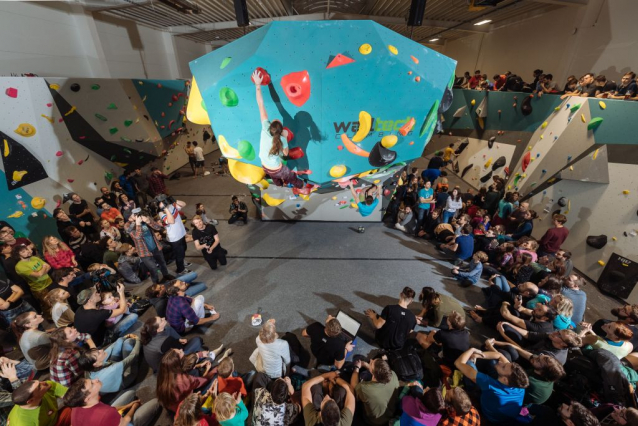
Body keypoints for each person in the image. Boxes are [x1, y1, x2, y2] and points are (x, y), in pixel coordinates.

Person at [253, 69, 313, 194]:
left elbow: (260, 104)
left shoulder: (265, 128)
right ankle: (302, 186)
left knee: (275, 178)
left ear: (270, 127)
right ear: (281, 131)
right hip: (274, 168)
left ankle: (278, 184)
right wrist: (285, 136)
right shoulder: (282, 139)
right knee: (291, 177)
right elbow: (285, 154)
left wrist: (258, 85)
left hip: (265, 166)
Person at [454, 347, 528, 424]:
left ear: (505, 380)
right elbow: (499, 355)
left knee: (468, 363)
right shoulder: (519, 385)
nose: (501, 363)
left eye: (503, 367)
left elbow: (458, 363)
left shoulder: (490, 384)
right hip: (502, 416)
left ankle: (470, 389)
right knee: (493, 362)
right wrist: (478, 355)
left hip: (489, 417)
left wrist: (472, 350)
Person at [63, 377, 160, 426]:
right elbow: (124, 422)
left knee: (130, 393)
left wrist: (127, 406)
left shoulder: (76, 407)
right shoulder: (105, 414)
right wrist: (134, 407)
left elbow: (110, 409)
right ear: (87, 398)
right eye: (92, 384)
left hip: (108, 418)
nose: (96, 379)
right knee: (156, 402)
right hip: (117, 422)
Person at [349, 358, 399, 426]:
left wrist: (357, 368)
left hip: (373, 421)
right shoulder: (393, 374)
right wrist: (366, 365)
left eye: (372, 363)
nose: (370, 360)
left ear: (374, 376)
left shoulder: (365, 389)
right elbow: (375, 372)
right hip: (390, 414)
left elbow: (354, 386)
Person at [128, 212, 174, 285]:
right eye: (135, 215)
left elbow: (158, 227)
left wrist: (148, 221)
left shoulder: (145, 220)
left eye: (138, 214)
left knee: (162, 263)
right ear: (131, 217)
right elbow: (137, 237)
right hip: (144, 252)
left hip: (155, 247)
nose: (138, 216)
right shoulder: (129, 226)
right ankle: (156, 283)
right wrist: (138, 224)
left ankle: (166, 275)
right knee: (153, 268)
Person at [12, 244, 53, 316]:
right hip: (40, 288)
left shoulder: (34, 258)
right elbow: (38, 275)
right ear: (18, 255)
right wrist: (43, 268)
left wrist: (42, 272)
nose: (27, 252)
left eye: (26, 250)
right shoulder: (19, 266)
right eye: (23, 252)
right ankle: (51, 320)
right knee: (48, 305)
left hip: (50, 282)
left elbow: (48, 266)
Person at [158, 197, 191, 276]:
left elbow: (184, 204)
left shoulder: (172, 205)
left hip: (181, 233)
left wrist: (174, 200)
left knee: (184, 249)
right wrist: (165, 209)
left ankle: (182, 263)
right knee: (179, 254)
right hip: (174, 237)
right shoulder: (161, 213)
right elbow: (171, 221)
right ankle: (180, 270)